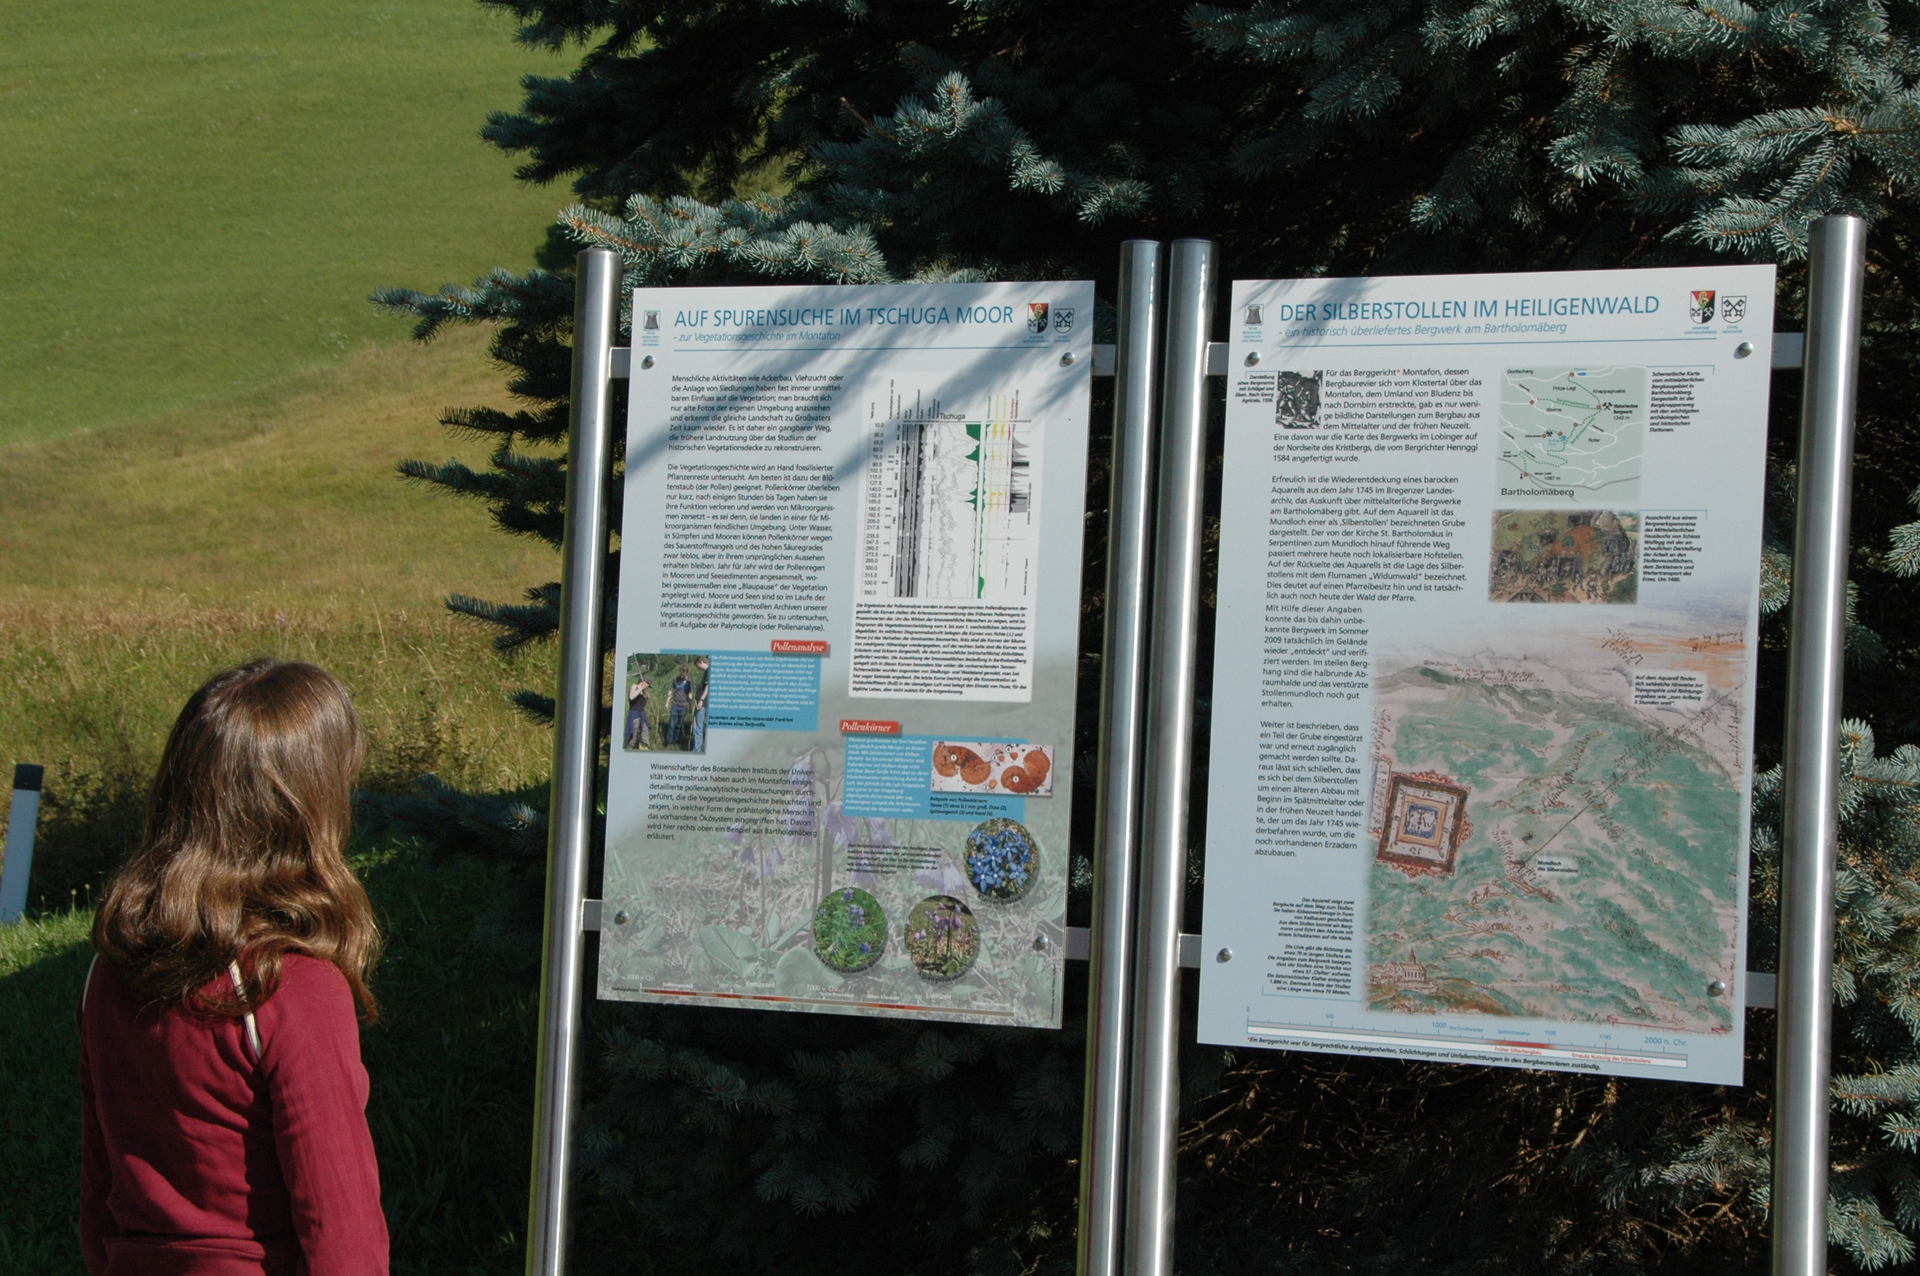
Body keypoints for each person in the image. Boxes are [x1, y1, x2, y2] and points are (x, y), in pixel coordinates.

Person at [79, 660, 388, 1276]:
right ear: (310, 804)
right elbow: (341, 1228)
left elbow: (99, 1197)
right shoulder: (290, 987)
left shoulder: (110, 971)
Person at [624, 674, 652, 750]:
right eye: (648, 684)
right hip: (634, 714)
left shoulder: (643, 691)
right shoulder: (635, 686)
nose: (647, 687)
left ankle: (644, 746)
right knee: (633, 734)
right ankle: (629, 749)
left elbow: (642, 705)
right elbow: (631, 697)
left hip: (642, 713)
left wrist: (646, 698)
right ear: (644, 682)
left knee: (645, 730)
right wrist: (641, 688)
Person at [667, 666, 693, 748]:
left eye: (684, 673)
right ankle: (669, 742)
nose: (682, 675)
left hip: (684, 706)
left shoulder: (689, 681)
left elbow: (690, 693)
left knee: (679, 725)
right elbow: (671, 690)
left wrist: (690, 706)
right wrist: (667, 702)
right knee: (671, 725)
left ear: (687, 673)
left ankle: (675, 741)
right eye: (681, 673)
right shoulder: (675, 679)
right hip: (675, 704)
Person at [690, 656, 711, 753]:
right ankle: (700, 748)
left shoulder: (708, 671)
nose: (698, 668)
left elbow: (708, 686)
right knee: (701, 727)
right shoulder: (707, 671)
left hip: (702, 704)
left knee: (698, 728)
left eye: (697, 666)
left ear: (700, 662)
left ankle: (696, 750)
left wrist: (701, 699)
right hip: (703, 704)